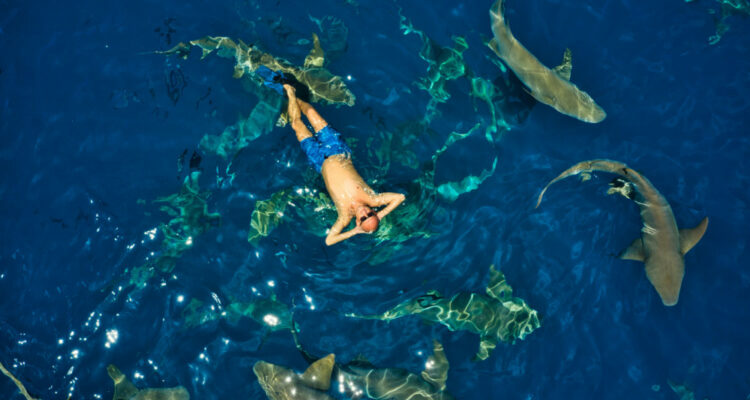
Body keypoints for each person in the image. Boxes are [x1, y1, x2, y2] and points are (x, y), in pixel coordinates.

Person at [283, 84, 405, 246]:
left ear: (358, 222)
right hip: (336, 149)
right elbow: (400, 197)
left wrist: (356, 231)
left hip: (318, 160)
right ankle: (296, 100)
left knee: (297, 125)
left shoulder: (345, 215)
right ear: (373, 211)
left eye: (363, 218)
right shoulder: (373, 199)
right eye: (370, 214)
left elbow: (329, 240)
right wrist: (380, 215)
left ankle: (290, 95)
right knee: (311, 112)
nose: (365, 213)